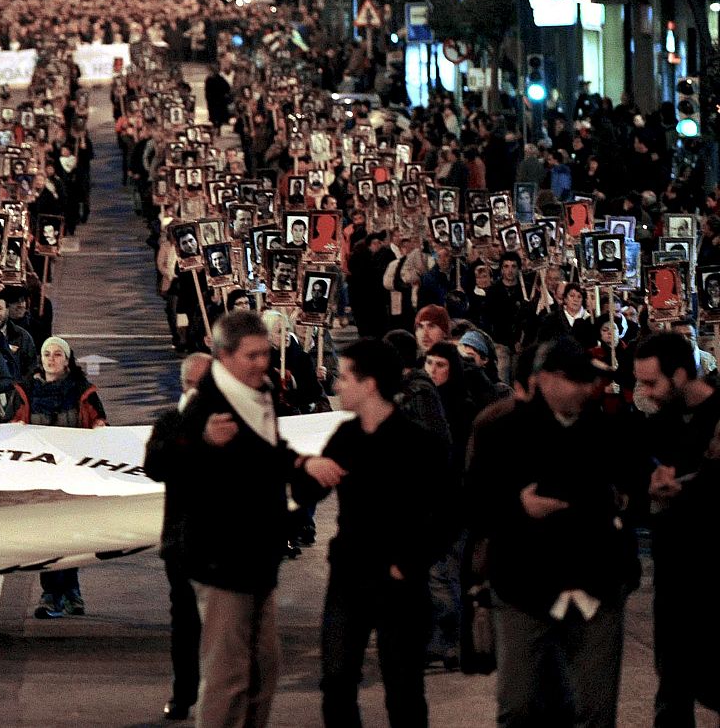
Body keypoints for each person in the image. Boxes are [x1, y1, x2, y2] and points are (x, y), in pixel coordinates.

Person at [171, 310, 343, 728]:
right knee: (228, 678)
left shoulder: (261, 391)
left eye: (265, 353)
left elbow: (265, 451)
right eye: (251, 355)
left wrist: (301, 462)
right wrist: (204, 441)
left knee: (264, 673)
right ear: (223, 356)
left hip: (259, 558)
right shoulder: (205, 405)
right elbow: (164, 458)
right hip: (222, 560)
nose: (262, 363)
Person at [467, 338, 647, 728]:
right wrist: (518, 508)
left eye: (588, 381)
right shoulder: (502, 429)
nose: (585, 389)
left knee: (596, 711)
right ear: (544, 379)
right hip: (524, 585)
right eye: (574, 380)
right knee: (518, 706)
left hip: (597, 583)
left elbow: (634, 490)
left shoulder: (607, 429)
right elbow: (474, 504)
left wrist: (630, 498)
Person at [301, 339, 451, 728]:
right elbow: (307, 493)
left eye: (345, 377)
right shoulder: (347, 437)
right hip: (349, 579)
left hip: (399, 582)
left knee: (403, 691)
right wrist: (305, 465)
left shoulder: (417, 443)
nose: (337, 386)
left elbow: (449, 513)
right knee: (336, 682)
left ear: (369, 384)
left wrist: (410, 563)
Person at [632, 333, 720, 726]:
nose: (645, 393)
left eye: (652, 383)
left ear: (681, 374)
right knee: (672, 695)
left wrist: (690, 487)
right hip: (674, 582)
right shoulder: (655, 425)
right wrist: (648, 490)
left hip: (716, 576)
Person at [9, 336, 107, 617]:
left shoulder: (82, 391)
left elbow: (98, 422)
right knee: (46, 535)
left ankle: (71, 590)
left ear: (67, 360)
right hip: (39, 477)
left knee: (72, 535)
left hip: (74, 474)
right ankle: (51, 593)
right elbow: (10, 425)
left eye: (57, 354)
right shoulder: (26, 390)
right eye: (46, 354)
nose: (51, 359)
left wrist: (100, 426)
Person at [144, 352, 213, 721]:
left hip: (223, 541)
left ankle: (221, 693)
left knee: (225, 623)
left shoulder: (233, 422)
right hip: (183, 541)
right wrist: (190, 431)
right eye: (192, 385)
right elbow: (154, 466)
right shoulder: (173, 422)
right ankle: (184, 692)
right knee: (185, 622)